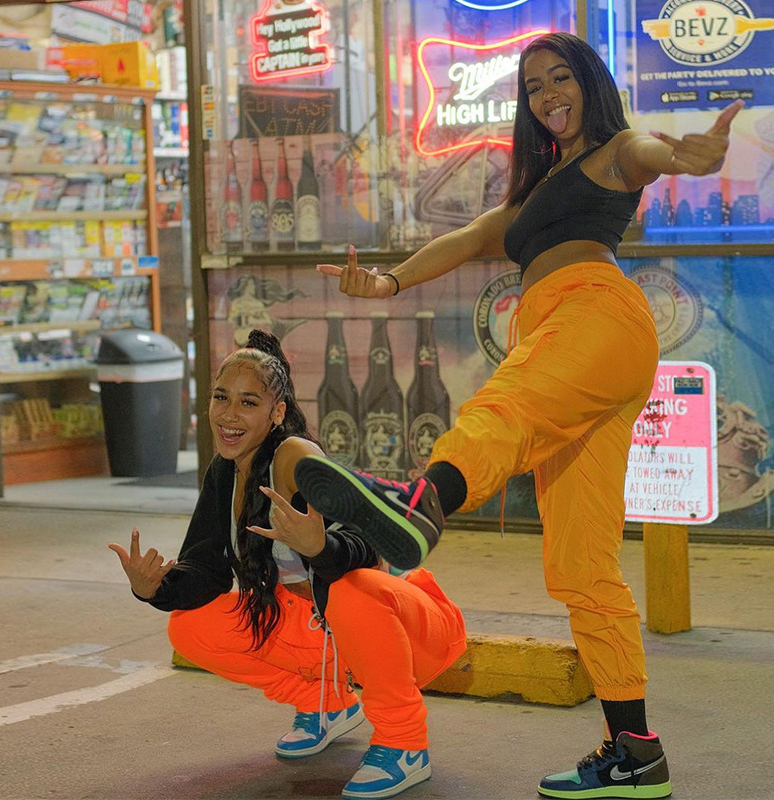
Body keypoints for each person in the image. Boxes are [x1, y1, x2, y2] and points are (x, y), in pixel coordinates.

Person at [292, 32, 742, 800]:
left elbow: (649, 154)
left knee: (506, 407)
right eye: (534, 87)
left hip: (594, 317)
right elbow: (469, 237)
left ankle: (422, 504)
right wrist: (389, 284)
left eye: (560, 78)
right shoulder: (535, 192)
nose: (547, 95)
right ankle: (635, 753)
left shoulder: (614, 151)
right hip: (581, 343)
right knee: (581, 567)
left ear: (590, 83)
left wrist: (686, 158)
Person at [108, 330, 466, 800]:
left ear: (276, 413)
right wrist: (155, 588)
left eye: (248, 403)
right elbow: (208, 572)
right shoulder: (225, 471)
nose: (229, 414)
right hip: (322, 634)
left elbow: (371, 549)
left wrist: (320, 547)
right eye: (221, 397)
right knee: (190, 627)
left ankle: (404, 743)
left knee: (350, 588)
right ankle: (324, 704)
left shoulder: (295, 457)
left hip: (407, 629)